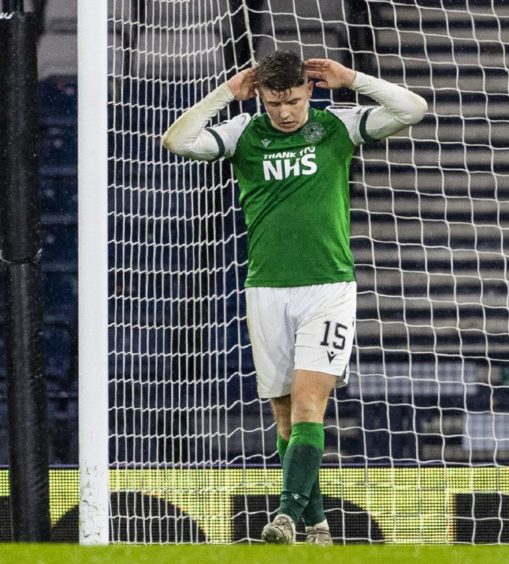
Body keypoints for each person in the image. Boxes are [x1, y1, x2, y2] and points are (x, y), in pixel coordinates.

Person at [161, 50, 427, 544]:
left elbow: (413, 109)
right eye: (274, 102)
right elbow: (177, 140)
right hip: (266, 290)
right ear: (260, 95)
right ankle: (318, 526)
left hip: (328, 289)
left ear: (310, 92)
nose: (285, 112)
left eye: (294, 101)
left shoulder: (335, 127)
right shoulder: (244, 132)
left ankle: (284, 514)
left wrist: (353, 79)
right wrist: (226, 94)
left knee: (308, 406)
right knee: (284, 417)